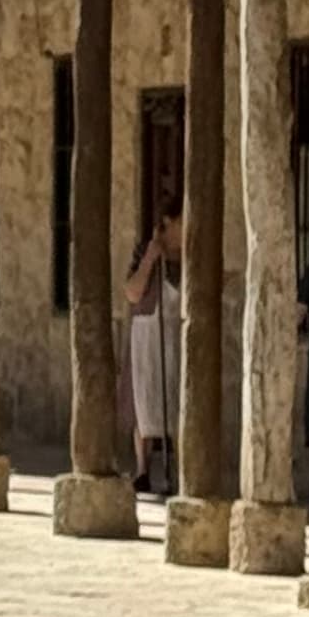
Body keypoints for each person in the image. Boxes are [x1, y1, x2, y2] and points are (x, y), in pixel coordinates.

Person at [125, 182, 184, 496]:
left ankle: (178, 469)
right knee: (144, 397)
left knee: (175, 398)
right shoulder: (147, 251)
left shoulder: (188, 259)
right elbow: (132, 292)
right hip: (147, 333)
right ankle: (143, 469)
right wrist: (150, 257)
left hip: (175, 331)